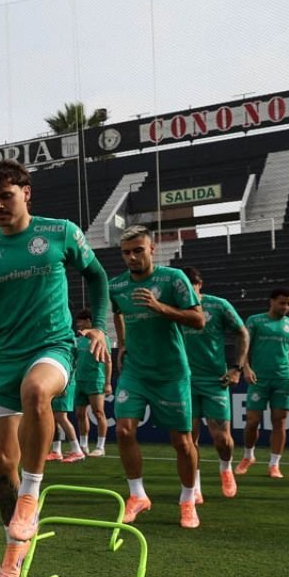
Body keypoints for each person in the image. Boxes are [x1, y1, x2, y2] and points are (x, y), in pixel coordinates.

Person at [0, 159, 110, 577]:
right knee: (2, 465)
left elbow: (97, 277)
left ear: (26, 192)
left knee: (36, 391)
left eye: (5, 196)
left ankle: (33, 492)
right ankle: (14, 542)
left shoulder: (59, 231)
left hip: (52, 346)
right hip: (3, 356)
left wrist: (99, 324)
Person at [110, 226, 205, 528]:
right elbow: (116, 313)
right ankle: (137, 495)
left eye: (138, 250)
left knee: (181, 441)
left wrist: (160, 307)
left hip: (171, 372)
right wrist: (122, 344)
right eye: (126, 252)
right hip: (136, 370)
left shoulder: (173, 279)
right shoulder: (116, 286)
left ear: (152, 249)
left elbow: (198, 319)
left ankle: (188, 499)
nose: (132, 257)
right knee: (124, 430)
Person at [180, 267, 248, 497]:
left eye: (191, 285)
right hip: (184, 382)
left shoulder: (218, 305)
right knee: (189, 439)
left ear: (200, 284)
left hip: (215, 381)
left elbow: (242, 333)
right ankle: (195, 487)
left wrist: (237, 368)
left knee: (222, 439)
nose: (188, 290)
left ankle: (225, 467)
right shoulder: (173, 309)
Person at [237, 288, 289, 479]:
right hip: (259, 378)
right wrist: (245, 368)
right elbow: (244, 347)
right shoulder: (255, 320)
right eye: (282, 302)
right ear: (271, 301)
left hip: (282, 378)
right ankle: (248, 456)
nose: (285, 307)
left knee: (279, 421)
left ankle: (274, 464)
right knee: (252, 421)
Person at [72, 309, 112, 457]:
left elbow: (108, 361)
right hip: (79, 381)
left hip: (96, 379)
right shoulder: (78, 339)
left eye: (80, 321)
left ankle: (100, 447)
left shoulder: (102, 338)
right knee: (80, 414)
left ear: (89, 321)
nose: (78, 325)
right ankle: (83, 446)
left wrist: (108, 382)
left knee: (99, 412)